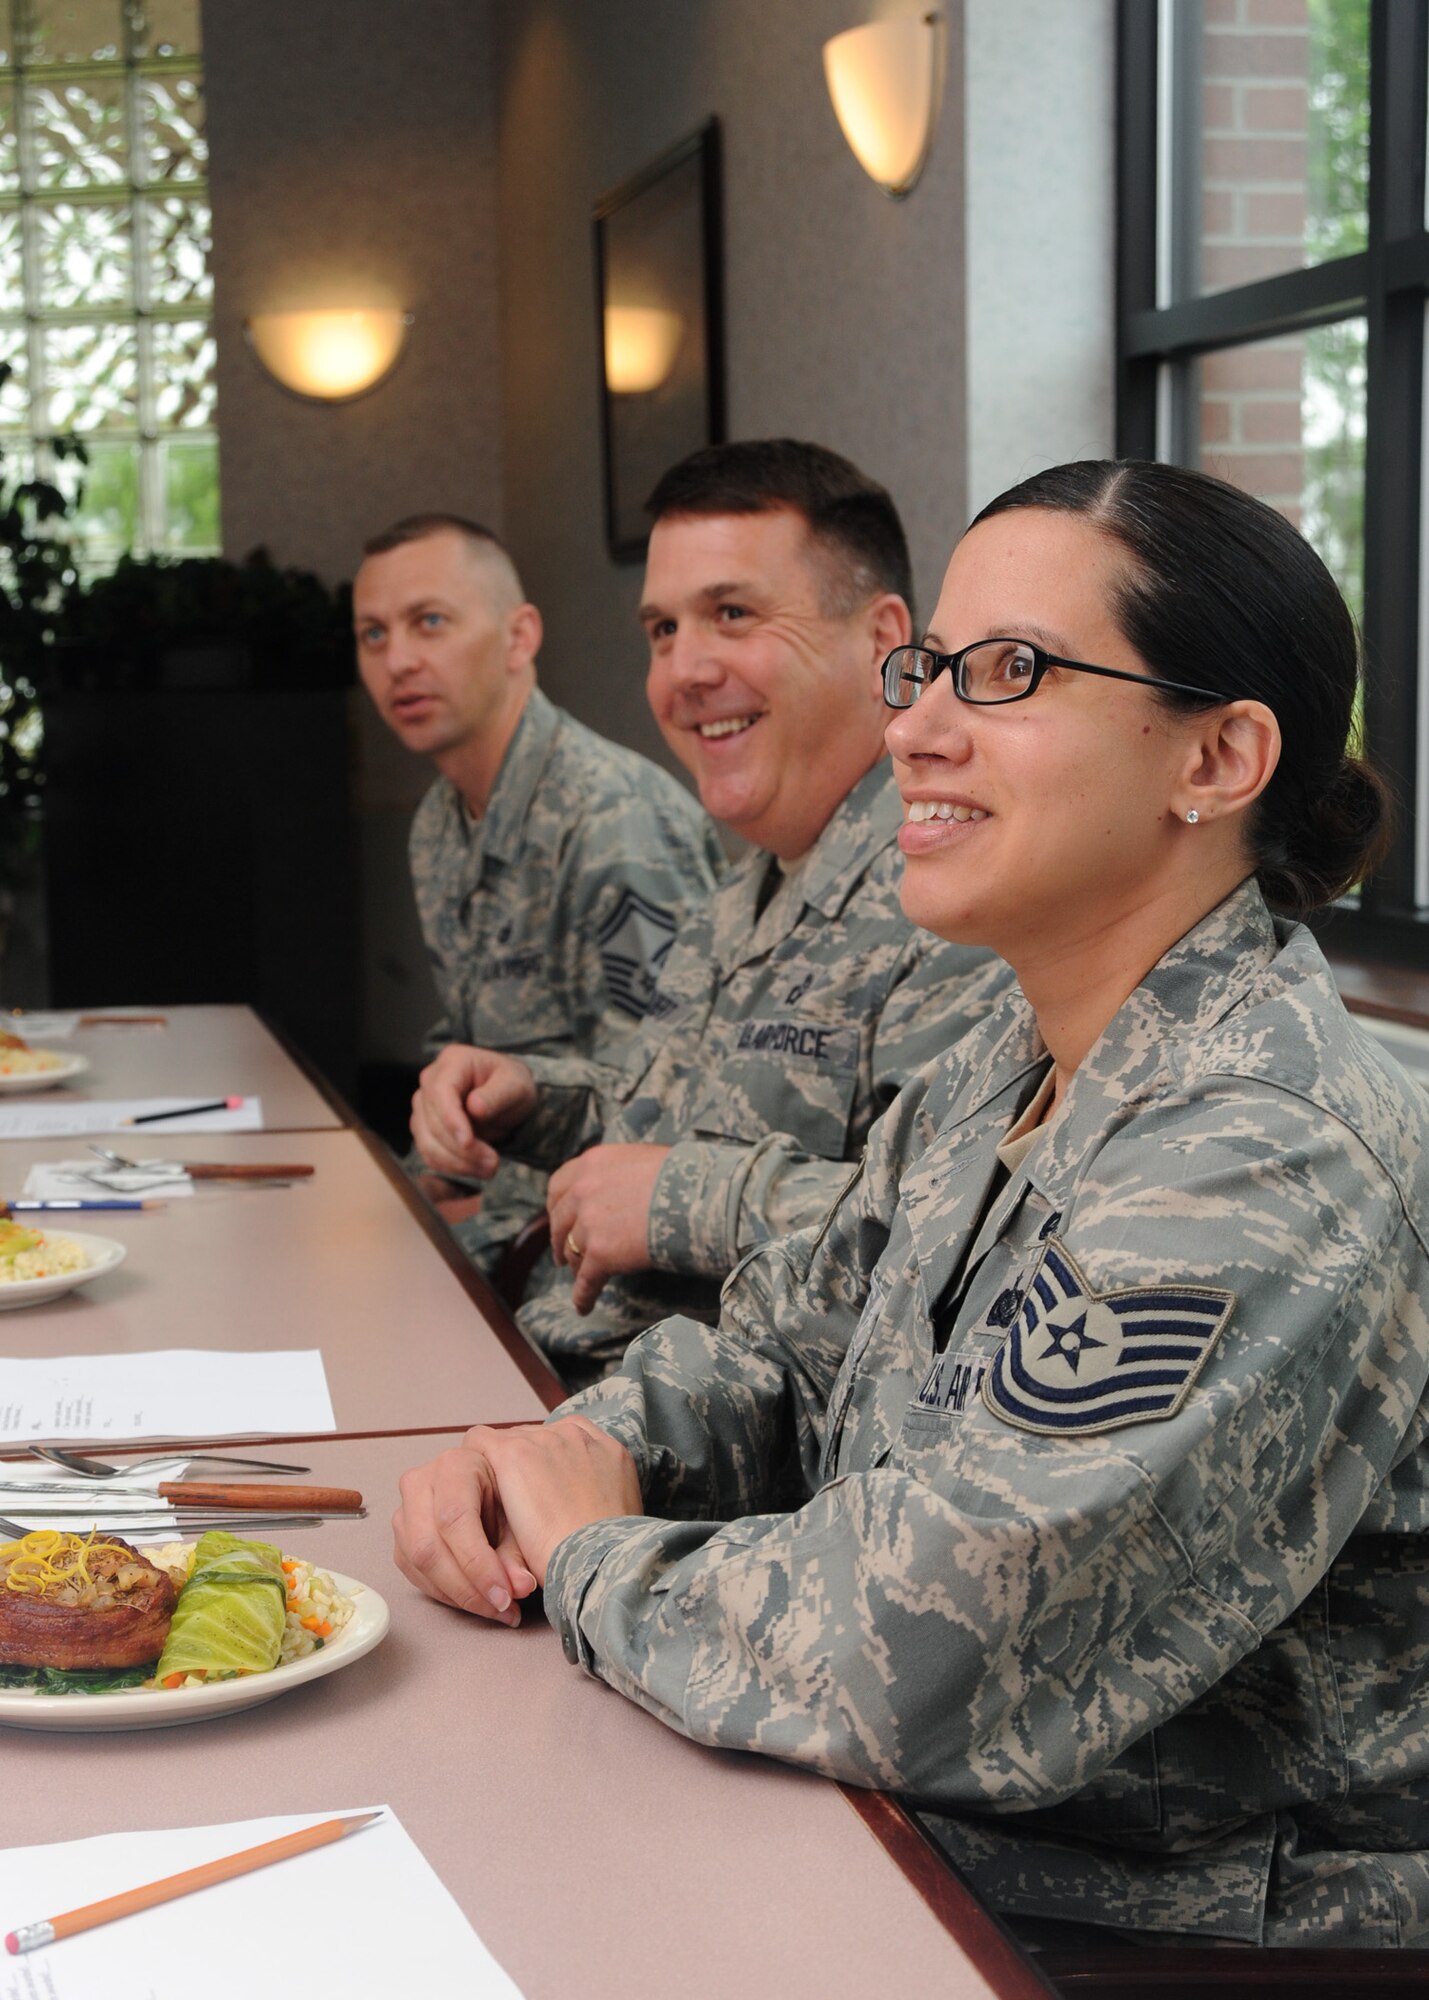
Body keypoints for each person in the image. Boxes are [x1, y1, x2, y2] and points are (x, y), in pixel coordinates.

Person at [393, 459, 1429, 1949]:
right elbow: (789, 1344)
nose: (918, 726)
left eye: (1005, 672)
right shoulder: (1013, 1049)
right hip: (932, 1838)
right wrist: (574, 1447)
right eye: (926, 664)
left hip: (1163, 1926)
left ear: (1217, 758)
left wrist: (585, 1556)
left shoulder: (1264, 1154)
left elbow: (927, 1653)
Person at [408, 441, 1007, 1381]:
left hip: (696, 1466)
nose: (683, 670)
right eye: (661, 631)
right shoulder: (755, 880)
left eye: (732, 614)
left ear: (884, 637)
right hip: (558, 1374)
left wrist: (686, 1198)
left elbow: (968, 1231)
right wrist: (533, 1099)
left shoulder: (958, 894)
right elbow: (677, 1116)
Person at [354, 513, 722, 1266]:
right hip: (489, 1202)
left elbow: (665, 1101)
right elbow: (464, 1044)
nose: (398, 661)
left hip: (585, 1245)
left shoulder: (613, 817)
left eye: (429, 622)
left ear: (519, 637)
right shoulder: (438, 823)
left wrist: (476, 1207)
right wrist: (435, 1159)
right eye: (373, 635)